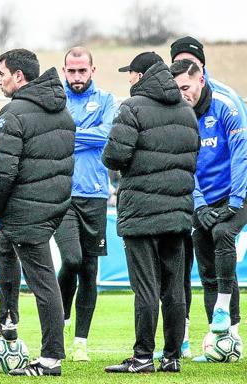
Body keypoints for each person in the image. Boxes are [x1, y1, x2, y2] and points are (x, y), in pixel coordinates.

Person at [102, 52, 199, 374]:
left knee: (145, 288)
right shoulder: (187, 109)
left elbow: (114, 157)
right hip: (178, 210)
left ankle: (142, 357)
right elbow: (192, 156)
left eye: (130, 73)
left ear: (140, 75)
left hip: (142, 213)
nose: (128, 79)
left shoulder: (132, 108)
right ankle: (171, 357)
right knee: (174, 287)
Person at [0, 48, 75, 376]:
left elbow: (4, 172)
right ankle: (8, 319)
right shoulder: (62, 112)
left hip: (25, 211)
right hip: (52, 207)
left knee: (43, 282)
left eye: (2, 74)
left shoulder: (14, 113)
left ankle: (51, 359)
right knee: (2, 241)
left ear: (19, 76)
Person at [169, 36, 247, 357]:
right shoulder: (177, 111)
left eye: (186, 88)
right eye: (177, 89)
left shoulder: (227, 104)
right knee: (205, 265)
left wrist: (236, 201)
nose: (182, 95)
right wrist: (199, 204)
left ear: (201, 75)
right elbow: (186, 162)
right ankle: (222, 344)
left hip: (238, 192)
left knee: (223, 234)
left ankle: (226, 316)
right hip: (205, 197)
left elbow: (242, 155)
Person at [54, 46, 116, 362]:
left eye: (82, 70)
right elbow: (52, 135)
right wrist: (82, 135)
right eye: (71, 70)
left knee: (89, 271)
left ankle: (80, 342)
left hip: (94, 194)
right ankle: (62, 316)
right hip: (61, 194)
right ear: (64, 70)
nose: (76, 76)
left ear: (92, 69)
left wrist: (69, 135)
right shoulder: (56, 100)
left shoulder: (106, 101)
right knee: (73, 259)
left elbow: (106, 135)